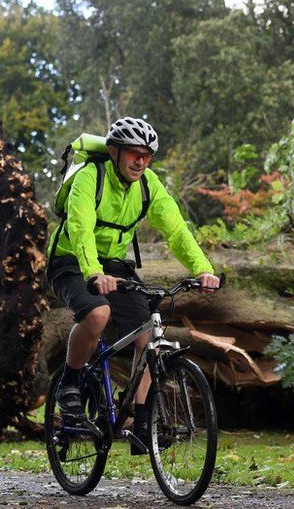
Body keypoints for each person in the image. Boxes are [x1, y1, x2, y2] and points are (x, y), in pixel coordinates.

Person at [46, 116, 220, 454]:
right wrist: (93, 273)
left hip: (114, 264)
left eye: (147, 155)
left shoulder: (148, 184)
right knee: (97, 314)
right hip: (70, 259)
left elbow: (176, 230)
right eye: (133, 154)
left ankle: (142, 424)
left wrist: (203, 269)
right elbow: (80, 230)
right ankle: (69, 382)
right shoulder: (89, 178)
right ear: (113, 152)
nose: (140, 161)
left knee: (148, 335)